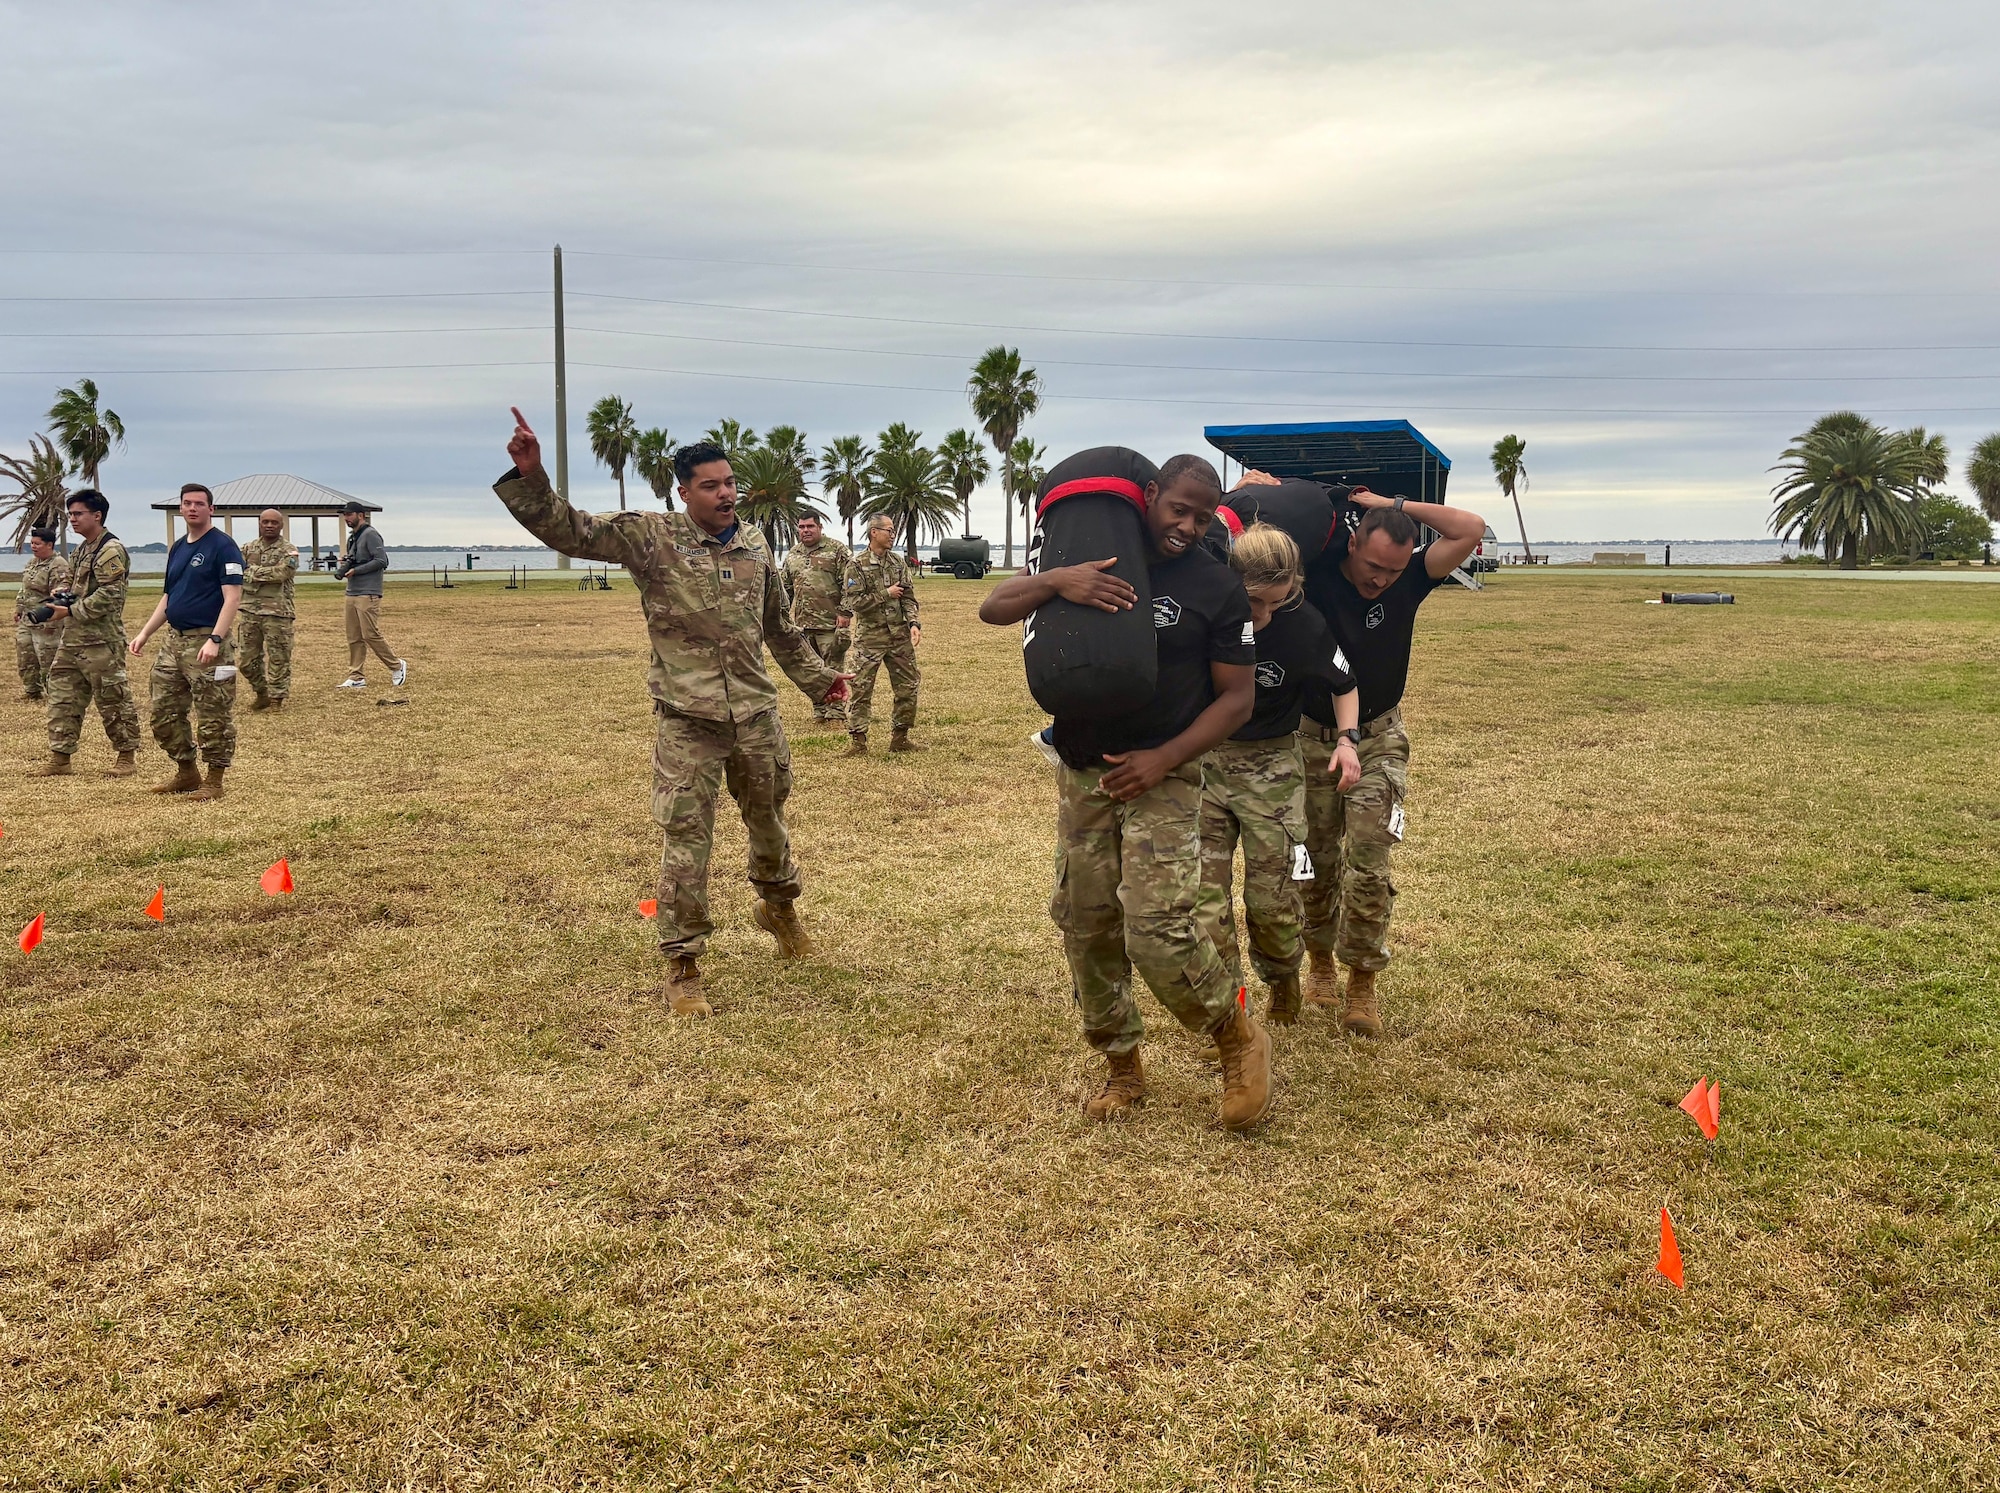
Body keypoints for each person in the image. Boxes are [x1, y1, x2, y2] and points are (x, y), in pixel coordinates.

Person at [493, 411, 851, 1016]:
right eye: (710, 486)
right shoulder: (650, 536)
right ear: (682, 492)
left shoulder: (756, 543)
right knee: (687, 837)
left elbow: (779, 629)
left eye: (729, 482)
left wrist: (821, 682)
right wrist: (531, 476)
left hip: (756, 716)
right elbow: (570, 530)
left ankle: (778, 907)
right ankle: (682, 962)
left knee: (768, 821)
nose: (726, 494)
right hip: (688, 718)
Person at [979, 454, 1272, 1132]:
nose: (1189, 526)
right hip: (1083, 776)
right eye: (1178, 509)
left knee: (1158, 929)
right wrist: (1059, 582)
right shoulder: (1091, 559)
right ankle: (1122, 1064)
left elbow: (1237, 698)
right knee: (1085, 924)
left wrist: (1164, 757)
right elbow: (992, 608)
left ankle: (1236, 1035)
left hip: (1164, 779)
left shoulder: (1214, 586)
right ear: (1149, 495)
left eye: (1203, 516)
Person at [1233, 472, 1484, 1037]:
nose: (1381, 580)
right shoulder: (1315, 575)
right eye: (1374, 567)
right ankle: (1319, 965)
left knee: (1370, 862)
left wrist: (1391, 503)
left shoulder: (1411, 580)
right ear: (1352, 543)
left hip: (1377, 739)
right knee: (1315, 864)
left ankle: (1362, 983)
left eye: (1393, 570)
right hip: (1308, 738)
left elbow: (1469, 528)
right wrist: (1253, 493)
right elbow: (1253, 545)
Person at [1194, 523, 1360, 1027]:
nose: (1261, 613)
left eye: (1275, 602)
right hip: (1205, 767)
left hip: (1272, 769)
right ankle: (1232, 1011)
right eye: (1253, 600)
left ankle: (1284, 982)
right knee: (1205, 905)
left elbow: (1345, 683)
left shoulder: (1304, 626)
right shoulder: (1205, 616)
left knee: (1271, 901)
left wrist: (1349, 742)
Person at [128, 483, 244, 801]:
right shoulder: (178, 547)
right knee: (163, 711)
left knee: (214, 714)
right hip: (174, 644)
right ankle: (187, 772)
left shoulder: (224, 546)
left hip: (210, 645)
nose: (192, 508)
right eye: (187, 503)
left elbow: (232, 597)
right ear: (180, 508)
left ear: (211, 509)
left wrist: (215, 639)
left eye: (199, 503)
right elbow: (170, 597)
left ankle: (214, 780)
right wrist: (145, 633)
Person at [36, 489, 142, 777]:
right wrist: (62, 592)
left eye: (78, 513)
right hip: (73, 639)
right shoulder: (83, 548)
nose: (73, 519)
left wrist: (70, 610)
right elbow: (75, 582)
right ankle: (60, 757)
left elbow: (111, 595)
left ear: (97, 515)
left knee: (112, 698)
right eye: (70, 514)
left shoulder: (110, 549)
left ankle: (126, 756)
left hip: (101, 640)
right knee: (62, 696)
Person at [841, 514, 921, 754]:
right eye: (889, 530)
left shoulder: (898, 563)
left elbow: (908, 597)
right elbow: (855, 602)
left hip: (898, 637)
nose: (893, 535)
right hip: (870, 639)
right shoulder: (857, 565)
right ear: (874, 532)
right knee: (861, 690)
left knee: (908, 687)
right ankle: (858, 742)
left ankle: (900, 738)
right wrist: (886, 593)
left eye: (894, 531)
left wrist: (914, 623)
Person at [779, 511, 852, 725]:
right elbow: (786, 589)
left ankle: (836, 712)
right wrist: (783, 617)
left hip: (830, 623)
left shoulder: (837, 550)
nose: (805, 531)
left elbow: (851, 584)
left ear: (820, 527)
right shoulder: (793, 554)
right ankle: (819, 709)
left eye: (810, 526)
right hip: (802, 625)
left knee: (833, 666)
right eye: (801, 527)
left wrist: (845, 612)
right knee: (812, 670)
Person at [334, 499, 405, 689]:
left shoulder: (371, 535)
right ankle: (356, 676)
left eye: (349, 514)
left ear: (360, 515)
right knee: (354, 636)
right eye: (344, 515)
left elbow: (382, 561)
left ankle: (397, 666)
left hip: (368, 592)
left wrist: (357, 571)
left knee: (370, 634)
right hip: (352, 591)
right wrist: (344, 568)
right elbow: (352, 558)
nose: (346, 518)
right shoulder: (353, 538)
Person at [238, 506, 299, 710]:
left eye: (274, 522)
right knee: (246, 660)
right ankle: (261, 692)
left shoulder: (289, 550)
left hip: (278, 612)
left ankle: (276, 700)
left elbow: (282, 574)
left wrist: (252, 573)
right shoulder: (247, 548)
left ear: (281, 525)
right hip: (249, 611)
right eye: (266, 522)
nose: (270, 525)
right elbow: (235, 570)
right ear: (259, 523)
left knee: (279, 657)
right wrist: (260, 574)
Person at [14, 527, 69, 701]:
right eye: (32, 543)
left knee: (48, 659)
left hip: (46, 622)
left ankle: (55, 695)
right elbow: (25, 588)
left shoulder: (58, 564)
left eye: (37, 544)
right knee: (26, 656)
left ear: (49, 545)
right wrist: (19, 607)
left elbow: (62, 593)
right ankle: (32, 691)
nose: (33, 547)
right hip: (27, 619)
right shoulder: (32, 563)